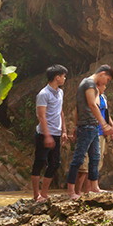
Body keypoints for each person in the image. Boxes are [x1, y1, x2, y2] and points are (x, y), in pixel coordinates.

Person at [65, 64, 113, 199]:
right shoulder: (89, 83)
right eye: (108, 80)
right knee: (79, 158)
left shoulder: (91, 84)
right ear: (103, 74)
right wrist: (104, 124)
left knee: (95, 157)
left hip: (92, 126)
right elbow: (92, 105)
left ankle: (94, 187)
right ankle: (71, 191)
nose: (106, 83)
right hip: (87, 125)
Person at [31, 64, 68, 201]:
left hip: (57, 133)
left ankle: (44, 194)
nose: (65, 78)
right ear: (57, 77)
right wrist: (47, 135)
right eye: (63, 76)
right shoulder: (43, 94)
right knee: (39, 162)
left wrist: (64, 130)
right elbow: (41, 116)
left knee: (55, 163)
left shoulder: (60, 92)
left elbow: (60, 112)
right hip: (43, 134)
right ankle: (36, 195)